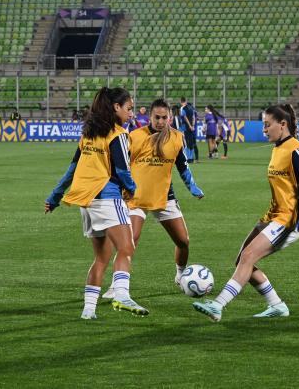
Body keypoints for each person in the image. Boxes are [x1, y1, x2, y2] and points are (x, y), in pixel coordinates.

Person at [192, 104, 299, 322]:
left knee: (248, 256)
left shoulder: (296, 150)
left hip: (289, 220)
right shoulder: (278, 148)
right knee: (242, 260)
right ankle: (277, 305)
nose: (264, 129)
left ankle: (218, 305)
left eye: (267, 125)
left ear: (282, 125)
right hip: (272, 216)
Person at [44, 87, 148, 319]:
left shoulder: (88, 134)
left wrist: (54, 197)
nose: (132, 113)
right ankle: (121, 295)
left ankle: (88, 309)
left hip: (86, 201)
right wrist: (132, 190)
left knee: (101, 258)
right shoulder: (117, 134)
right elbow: (123, 170)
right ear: (116, 107)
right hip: (108, 197)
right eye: (129, 109)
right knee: (127, 248)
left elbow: (72, 170)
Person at [101, 98, 205, 299]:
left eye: (164, 117)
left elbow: (182, 166)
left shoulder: (176, 137)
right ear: (149, 116)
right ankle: (116, 285)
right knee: (130, 241)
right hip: (136, 196)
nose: (160, 121)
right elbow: (120, 165)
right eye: (156, 117)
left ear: (170, 118)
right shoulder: (135, 136)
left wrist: (192, 187)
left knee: (183, 242)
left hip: (165, 196)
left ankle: (181, 275)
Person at [180, 98, 199, 163]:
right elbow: (193, 117)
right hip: (191, 128)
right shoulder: (191, 108)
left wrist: (190, 126)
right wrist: (193, 125)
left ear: (181, 102)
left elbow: (185, 118)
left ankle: (187, 158)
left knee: (186, 142)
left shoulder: (183, 109)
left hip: (185, 127)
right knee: (191, 142)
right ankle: (191, 158)